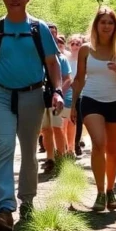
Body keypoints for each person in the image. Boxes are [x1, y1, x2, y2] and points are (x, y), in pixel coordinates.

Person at [0, 0, 65, 231]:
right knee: (3, 146)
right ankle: (4, 209)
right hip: (1, 95)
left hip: (33, 95)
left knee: (28, 150)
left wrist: (57, 91)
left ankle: (27, 201)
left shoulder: (39, 29)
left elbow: (52, 63)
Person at [70, 7, 116, 212]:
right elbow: (79, 79)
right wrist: (73, 105)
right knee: (99, 143)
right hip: (91, 100)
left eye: (110, 22)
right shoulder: (86, 50)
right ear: (96, 25)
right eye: (103, 22)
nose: (106, 26)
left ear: (115, 26)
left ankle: (110, 189)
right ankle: (99, 192)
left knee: (112, 149)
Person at [40, 26, 73, 174]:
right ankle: (50, 158)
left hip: (56, 98)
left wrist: (59, 93)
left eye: (54, 34)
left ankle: (61, 158)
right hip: (40, 96)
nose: (51, 36)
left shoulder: (61, 58)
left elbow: (67, 79)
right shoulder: (37, 55)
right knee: (45, 129)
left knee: (57, 127)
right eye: (49, 34)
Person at [63, 34, 85, 156]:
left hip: (81, 93)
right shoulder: (66, 58)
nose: (75, 46)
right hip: (68, 93)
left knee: (79, 120)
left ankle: (75, 144)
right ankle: (67, 145)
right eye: (73, 44)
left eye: (78, 44)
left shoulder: (84, 59)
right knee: (66, 120)